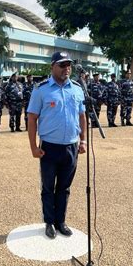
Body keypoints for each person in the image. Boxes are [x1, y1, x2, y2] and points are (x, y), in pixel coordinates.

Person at [27, 51, 86, 239]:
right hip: (49, 147)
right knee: (48, 187)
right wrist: (33, 147)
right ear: (52, 66)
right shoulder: (41, 89)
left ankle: (61, 221)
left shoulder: (77, 88)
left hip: (71, 147)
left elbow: (82, 115)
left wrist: (83, 140)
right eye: (62, 64)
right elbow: (32, 118)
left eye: (68, 64)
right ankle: (49, 222)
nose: (66, 68)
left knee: (64, 187)